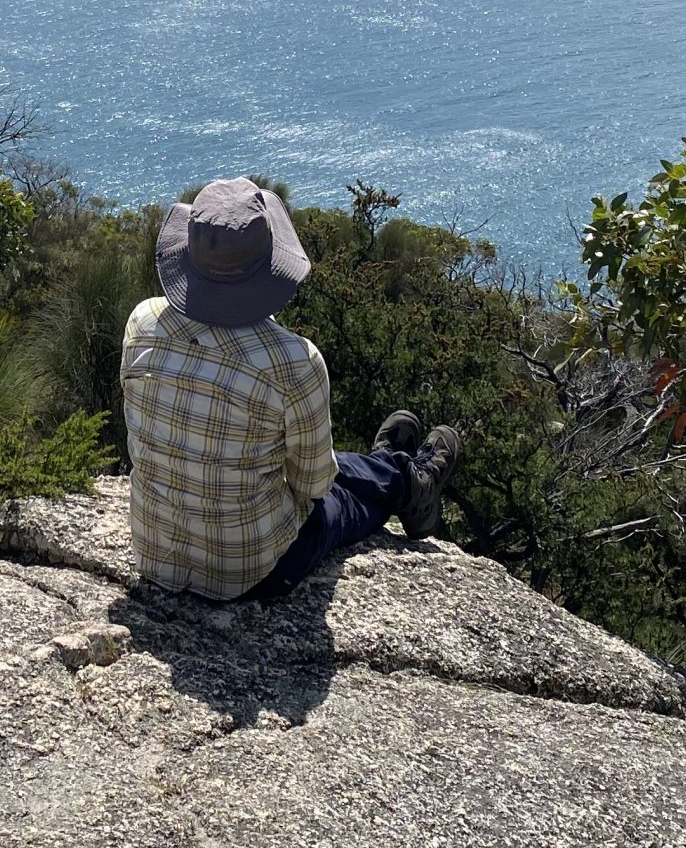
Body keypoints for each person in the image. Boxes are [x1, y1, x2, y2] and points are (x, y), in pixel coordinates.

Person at [120, 176, 462, 600]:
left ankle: (395, 468)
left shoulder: (142, 324)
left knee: (316, 470)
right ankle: (408, 482)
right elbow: (315, 485)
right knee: (341, 506)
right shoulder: (293, 361)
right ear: (267, 267)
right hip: (252, 573)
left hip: (155, 558)